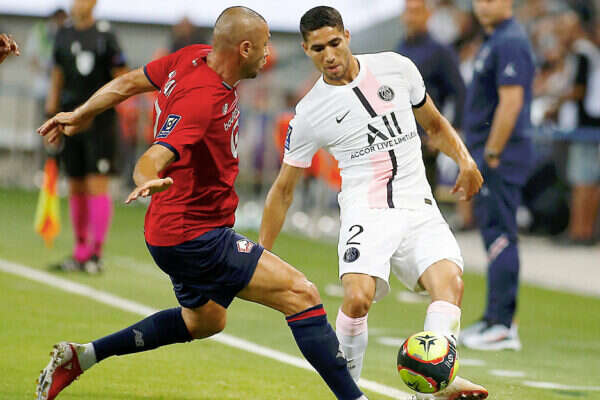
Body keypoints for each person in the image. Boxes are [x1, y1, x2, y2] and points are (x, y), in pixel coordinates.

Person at [35, 7, 367, 400]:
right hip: (193, 235)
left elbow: (127, 83)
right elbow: (153, 157)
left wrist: (80, 112)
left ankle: (82, 356)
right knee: (301, 294)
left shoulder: (192, 56)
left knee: (206, 320)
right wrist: (146, 178)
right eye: (264, 46)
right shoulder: (201, 100)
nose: (268, 54)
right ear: (244, 49)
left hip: (172, 232)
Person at [260, 6, 487, 399]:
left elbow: (434, 125)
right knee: (357, 298)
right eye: (318, 49)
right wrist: (260, 255)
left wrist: (465, 160)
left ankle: (433, 386)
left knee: (450, 284)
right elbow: (283, 190)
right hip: (367, 209)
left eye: (334, 43)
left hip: (417, 203)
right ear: (306, 50)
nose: (329, 55)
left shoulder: (396, 68)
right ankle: (349, 393)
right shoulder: (310, 113)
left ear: (347, 36)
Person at [460, 0, 536, 351]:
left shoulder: (510, 41)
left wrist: (491, 153)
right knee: (493, 234)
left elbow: (511, 102)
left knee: (501, 236)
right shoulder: (494, 39)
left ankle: (503, 324)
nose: (482, 5)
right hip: (491, 153)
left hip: (500, 155)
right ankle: (493, 318)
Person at [46, 0, 128, 274]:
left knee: (97, 185)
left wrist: (105, 108)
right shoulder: (63, 34)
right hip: (70, 120)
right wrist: (51, 114)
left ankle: (96, 253)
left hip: (99, 123)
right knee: (76, 184)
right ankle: (80, 251)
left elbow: (122, 78)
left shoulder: (106, 35)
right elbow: (57, 76)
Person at [396, 0, 466, 195]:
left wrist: (450, 132)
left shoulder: (440, 52)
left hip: (425, 142)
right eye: (408, 12)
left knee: (423, 200)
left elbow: (460, 91)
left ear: (428, 15)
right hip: (399, 140)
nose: (411, 17)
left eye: (417, 12)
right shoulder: (399, 50)